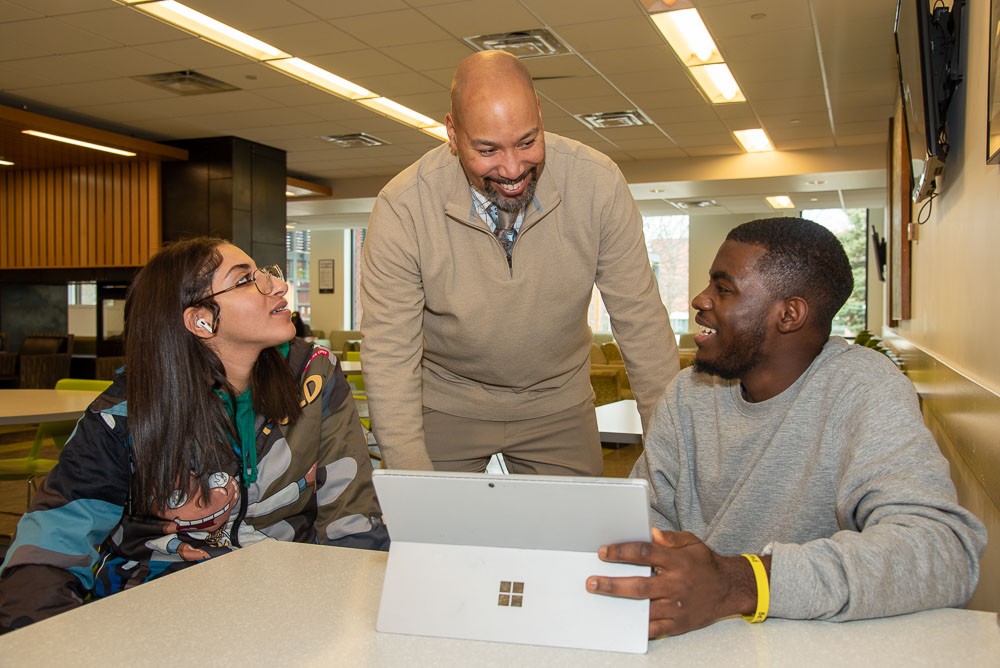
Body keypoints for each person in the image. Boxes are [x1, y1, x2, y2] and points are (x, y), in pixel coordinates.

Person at [586, 217, 986, 637]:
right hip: (696, 640)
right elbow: (644, 520)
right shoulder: (689, 392)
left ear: (789, 314)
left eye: (723, 289)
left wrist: (741, 582)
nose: (699, 300)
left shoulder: (864, 389)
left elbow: (944, 552)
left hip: (813, 643)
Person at [0, 237, 388, 632]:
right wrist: (37, 642)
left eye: (265, 274)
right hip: (158, 611)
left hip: (286, 604)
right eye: (245, 281)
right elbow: (52, 542)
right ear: (201, 320)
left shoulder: (314, 377)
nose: (277, 286)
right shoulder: (127, 413)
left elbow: (353, 516)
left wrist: (361, 619)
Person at [360, 50, 678, 474]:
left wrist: (671, 457)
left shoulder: (597, 184)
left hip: (557, 400)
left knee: (575, 538)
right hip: (448, 402)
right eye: (488, 149)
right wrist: (412, 483)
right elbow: (388, 354)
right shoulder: (403, 207)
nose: (512, 168)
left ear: (541, 116)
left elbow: (641, 323)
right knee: (433, 536)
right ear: (452, 133)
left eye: (528, 142)